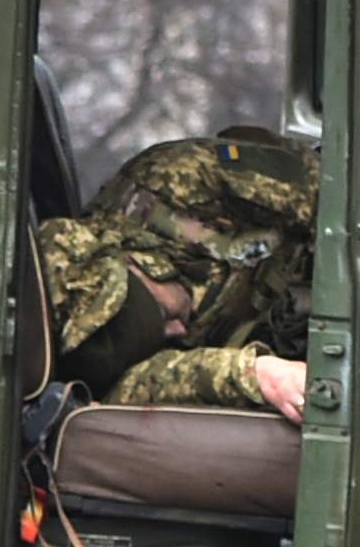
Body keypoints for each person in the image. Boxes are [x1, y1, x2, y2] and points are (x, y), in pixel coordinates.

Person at [34, 127, 317, 420]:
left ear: (135, 265)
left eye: (165, 315)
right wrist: (262, 375)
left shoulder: (171, 182)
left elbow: (329, 191)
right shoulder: (108, 365)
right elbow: (176, 378)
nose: (179, 333)